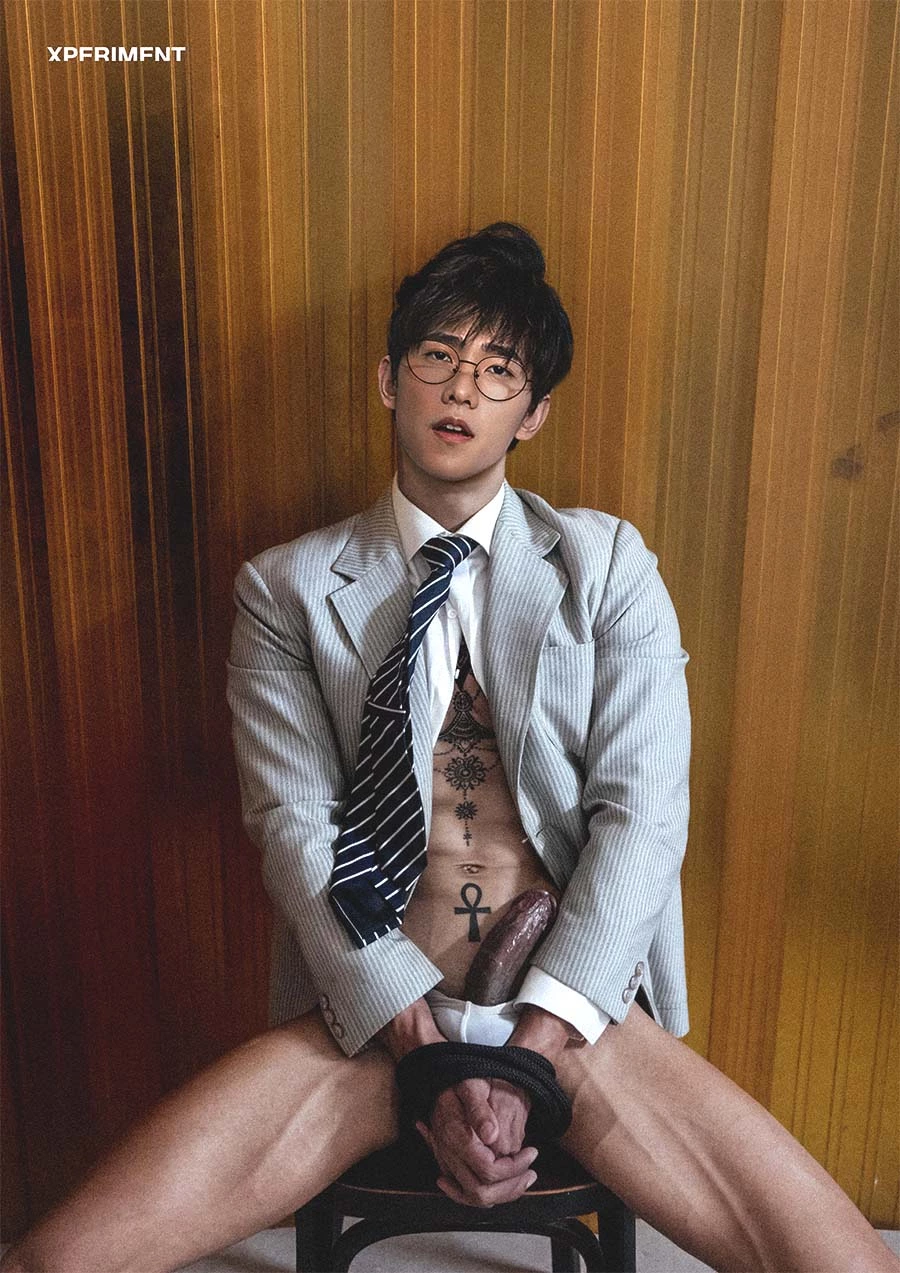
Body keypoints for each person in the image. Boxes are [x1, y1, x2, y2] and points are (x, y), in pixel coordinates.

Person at [3, 224, 895, 1273]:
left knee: (848, 1265)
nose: (463, 386)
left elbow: (644, 819)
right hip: (377, 1015)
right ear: (391, 379)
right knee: (59, 1258)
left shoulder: (609, 566)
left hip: (576, 1014)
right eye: (438, 354)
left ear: (534, 410)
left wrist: (536, 1049)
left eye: (499, 367)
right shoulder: (287, 590)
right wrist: (421, 1051)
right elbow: (296, 830)